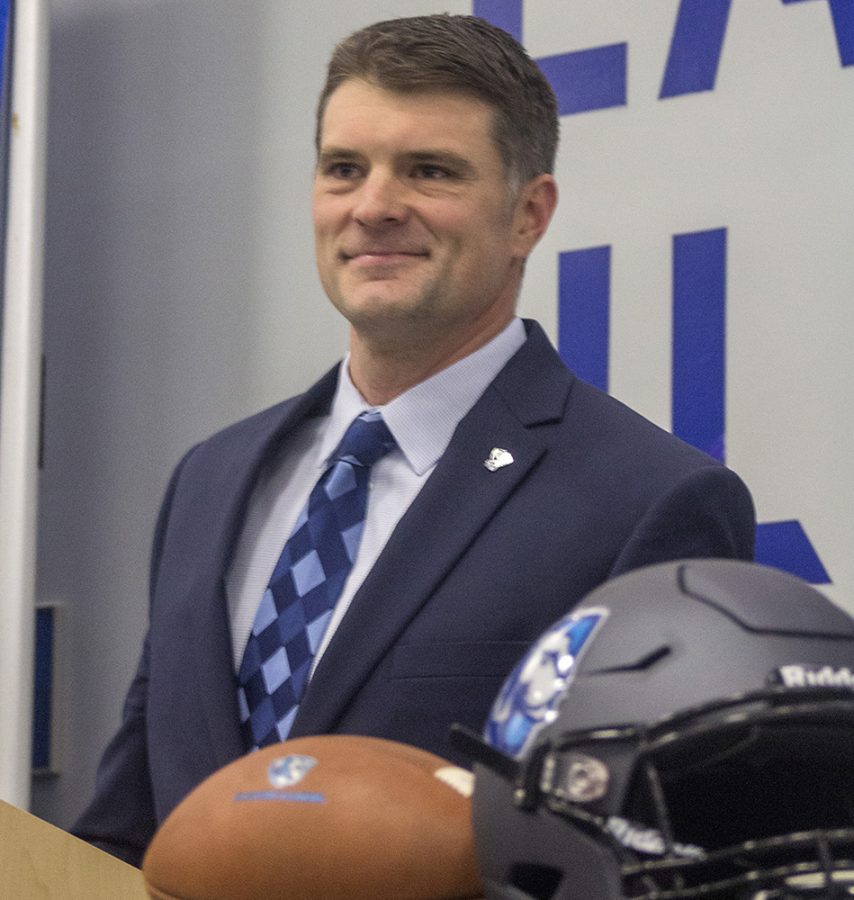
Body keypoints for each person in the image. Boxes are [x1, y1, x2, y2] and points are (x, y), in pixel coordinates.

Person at [73, 14, 755, 866]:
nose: (374, 206)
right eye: (343, 169)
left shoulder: (649, 502)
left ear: (527, 215)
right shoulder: (210, 480)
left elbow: (663, 860)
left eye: (430, 171)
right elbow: (128, 825)